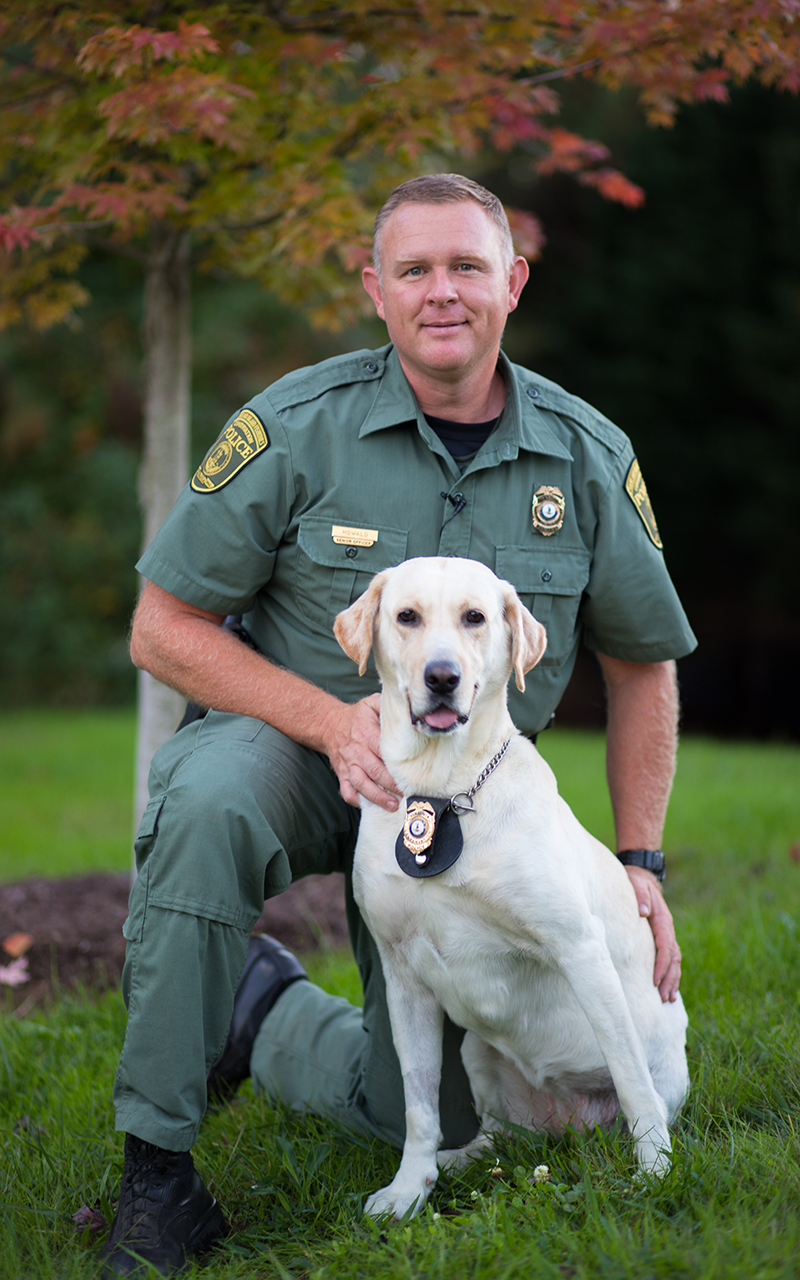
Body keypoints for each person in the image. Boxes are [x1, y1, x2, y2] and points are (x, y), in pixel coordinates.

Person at [101, 174, 696, 1276]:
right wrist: (327, 721)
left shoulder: (584, 454)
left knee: (436, 1122)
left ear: (512, 283)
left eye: (467, 266)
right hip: (288, 739)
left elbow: (640, 664)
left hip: (465, 790)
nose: (441, 293)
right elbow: (162, 627)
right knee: (206, 802)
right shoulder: (292, 424)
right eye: (413, 269)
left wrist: (637, 858)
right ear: (373, 288)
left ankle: (265, 1009)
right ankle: (157, 1170)